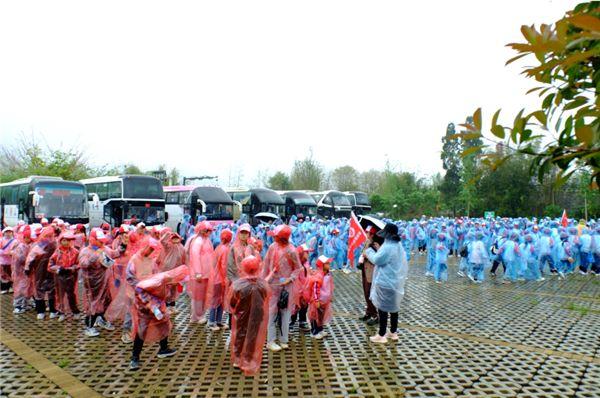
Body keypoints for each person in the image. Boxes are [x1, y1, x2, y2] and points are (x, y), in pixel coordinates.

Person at [127, 256, 187, 371]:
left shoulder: (169, 283)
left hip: (157, 306)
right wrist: (150, 304)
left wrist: (159, 306)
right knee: (141, 330)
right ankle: (135, 358)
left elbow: (165, 296)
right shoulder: (160, 280)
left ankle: (163, 349)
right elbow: (139, 289)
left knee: (164, 324)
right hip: (144, 306)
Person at [365, 223, 408, 344]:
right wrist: (380, 250)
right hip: (395, 282)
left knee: (382, 309)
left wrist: (369, 251)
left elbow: (377, 260)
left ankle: (381, 334)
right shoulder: (398, 245)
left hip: (385, 281)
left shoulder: (388, 246)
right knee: (394, 308)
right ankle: (393, 332)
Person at [261, 224, 301, 352]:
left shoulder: (291, 250)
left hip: (286, 287)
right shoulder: (272, 247)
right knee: (271, 312)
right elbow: (266, 265)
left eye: (277, 236)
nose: (275, 238)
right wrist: (263, 280)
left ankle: (284, 339)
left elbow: (298, 268)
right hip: (273, 285)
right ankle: (271, 340)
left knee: (285, 313)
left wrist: (290, 279)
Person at [229, 255, 270, 376]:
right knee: (252, 336)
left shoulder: (238, 285)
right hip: (257, 317)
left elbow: (232, 302)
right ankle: (248, 358)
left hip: (241, 316)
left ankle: (237, 357)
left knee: (240, 335)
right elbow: (266, 297)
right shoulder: (262, 284)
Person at [78, 228, 122, 337]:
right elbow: (83, 264)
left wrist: (123, 246)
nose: (102, 242)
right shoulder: (86, 251)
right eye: (99, 240)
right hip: (92, 283)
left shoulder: (104, 248)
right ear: (93, 239)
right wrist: (95, 255)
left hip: (104, 281)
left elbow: (114, 253)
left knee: (106, 300)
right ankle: (89, 326)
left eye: (102, 240)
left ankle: (101, 318)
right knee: (93, 304)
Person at [25, 226, 58, 320]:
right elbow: (30, 259)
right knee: (39, 290)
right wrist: (28, 268)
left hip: (51, 271)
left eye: (50, 236)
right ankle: (41, 311)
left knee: (52, 290)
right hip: (40, 272)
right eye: (47, 236)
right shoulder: (38, 246)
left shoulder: (55, 245)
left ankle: (52, 310)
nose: (48, 238)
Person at [185, 221, 215, 323]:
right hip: (199, 275)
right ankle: (196, 316)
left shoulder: (207, 240)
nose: (208, 232)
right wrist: (198, 272)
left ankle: (200, 314)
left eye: (209, 230)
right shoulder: (197, 241)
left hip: (206, 274)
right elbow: (195, 257)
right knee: (198, 296)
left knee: (202, 296)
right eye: (206, 230)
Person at [48, 233, 81, 321]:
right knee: (59, 295)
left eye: (68, 240)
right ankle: (61, 312)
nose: (67, 243)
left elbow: (79, 264)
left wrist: (70, 269)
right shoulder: (57, 252)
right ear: (60, 241)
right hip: (59, 277)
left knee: (71, 295)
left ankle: (75, 311)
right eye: (64, 240)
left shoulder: (75, 252)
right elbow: (50, 265)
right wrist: (59, 269)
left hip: (71, 276)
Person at [208, 229, 232, 331]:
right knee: (216, 301)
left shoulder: (219, 247)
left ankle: (218, 321)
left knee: (220, 300)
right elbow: (224, 266)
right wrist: (225, 278)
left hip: (216, 278)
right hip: (219, 279)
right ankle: (212, 322)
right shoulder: (226, 249)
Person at [357, 226, 379, 326]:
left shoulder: (376, 244)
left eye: (368, 233)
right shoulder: (367, 242)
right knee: (366, 292)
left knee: (370, 293)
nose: (366, 234)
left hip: (371, 271)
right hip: (365, 270)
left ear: (372, 234)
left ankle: (375, 315)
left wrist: (367, 256)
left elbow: (377, 259)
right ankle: (368, 312)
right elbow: (363, 252)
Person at [308, 256, 334, 339]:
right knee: (314, 315)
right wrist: (316, 300)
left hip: (325, 300)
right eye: (327, 263)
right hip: (318, 300)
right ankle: (314, 331)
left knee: (321, 315)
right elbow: (315, 288)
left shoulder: (328, 274)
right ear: (322, 265)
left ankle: (320, 329)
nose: (329, 264)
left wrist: (330, 296)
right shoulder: (318, 276)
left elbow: (329, 286)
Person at [11, 228, 33, 314]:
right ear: (25, 237)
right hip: (21, 272)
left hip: (26, 272)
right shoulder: (21, 246)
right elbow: (19, 259)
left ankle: (25, 304)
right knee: (20, 288)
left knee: (27, 288)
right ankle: (18, 305)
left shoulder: (29, 245)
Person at [0, 227, 18, 294]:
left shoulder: (15, 241)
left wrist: (12, 253)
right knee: (3, 275)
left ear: (12, 233)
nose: (8, 233)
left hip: (12, 262)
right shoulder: (1, 240)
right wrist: (5, 253)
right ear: (4, 233)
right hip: (2, 261)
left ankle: (11, 288)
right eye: (7, 232)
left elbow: (17, 250)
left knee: (12, 275)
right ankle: (4, 288)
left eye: (10, 232)